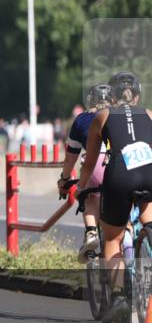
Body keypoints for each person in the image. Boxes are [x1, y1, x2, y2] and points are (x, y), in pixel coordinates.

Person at [78, 72, 152, 323]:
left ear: (111, 96)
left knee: (112, 238)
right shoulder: (149, 114)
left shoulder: (103, 116)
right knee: (149, 218)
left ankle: (119, 296)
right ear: (137, 96)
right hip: (149, 170)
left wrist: (81, 186)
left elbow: (89, 162)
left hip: (120, 174)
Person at [57, 83, 111, 262]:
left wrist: (64, 179)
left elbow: (70, 158)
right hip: (122, 163)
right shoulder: (121, 115)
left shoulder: (81, 119)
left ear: (90, 100)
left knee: (88, 195)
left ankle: (91, 232)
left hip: (94, 165)